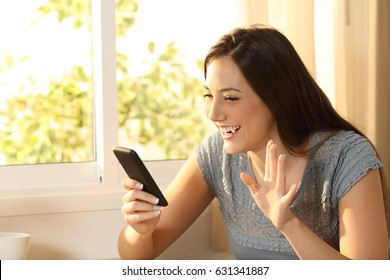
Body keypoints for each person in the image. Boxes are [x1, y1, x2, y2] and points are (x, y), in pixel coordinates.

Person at [118, 25, 389, 260]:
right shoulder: (217, 156)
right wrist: (140, 231)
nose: (213, 114)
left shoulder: (347, 156)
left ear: (277, 98)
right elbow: (141, 254)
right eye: (209, 96)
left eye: (231, 98)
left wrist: (288, 224)